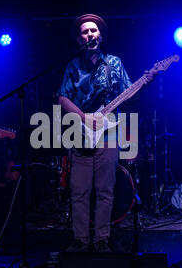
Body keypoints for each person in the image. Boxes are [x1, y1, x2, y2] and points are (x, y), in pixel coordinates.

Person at [57, 14, 155, 252]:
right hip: (80, 132)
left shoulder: (114, 63)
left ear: (100, 35)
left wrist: (146, 82)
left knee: (105, 190)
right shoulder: (72, 66)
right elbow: (62, 97)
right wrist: (84, 118)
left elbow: (130, 98)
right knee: (79, 190)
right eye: (85, 32)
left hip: (109, 133)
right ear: (79, 38)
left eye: (94, 30)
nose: (90, 34)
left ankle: (101, 239)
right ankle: (80, 239)